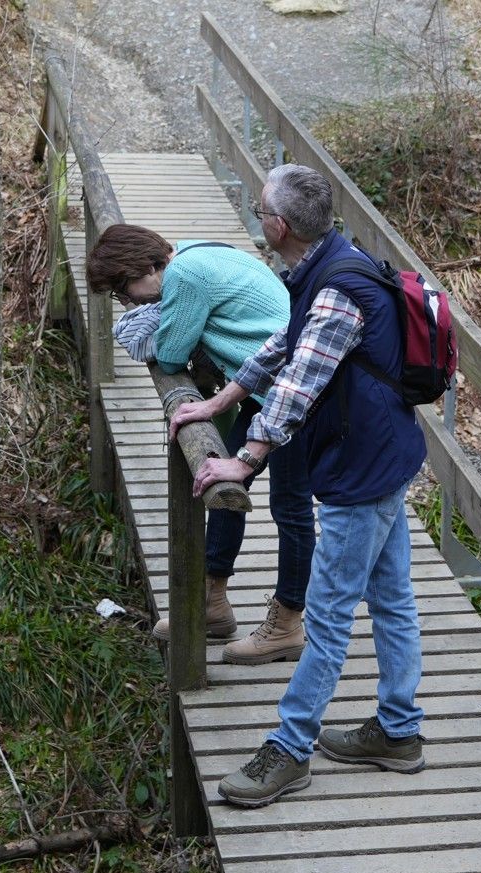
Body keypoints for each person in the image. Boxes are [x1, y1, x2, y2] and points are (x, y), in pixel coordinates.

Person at [170, 164, 428, 808]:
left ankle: (289, 747)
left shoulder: (336, 288)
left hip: (360, 470)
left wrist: (245, 459)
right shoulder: (330, 261)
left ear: (277, 226)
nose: (258, 218)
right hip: (383, 453)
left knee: (331, 614)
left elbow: (299, 382)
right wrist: (220, 399)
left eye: (259, 210)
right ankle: (398, 731)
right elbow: (283, 346)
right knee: (392, 599)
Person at [85, 224, 314, 665]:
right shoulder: (192, 253)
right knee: (223, 477)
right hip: (263, 389)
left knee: (291, 507)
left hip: (296, 394)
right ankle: (212, 601)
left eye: (124, 289)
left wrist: (162, 321)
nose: (129, 301)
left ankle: (287, 623)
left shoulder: (186, 275)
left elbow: (169, 353)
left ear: (147, 266)